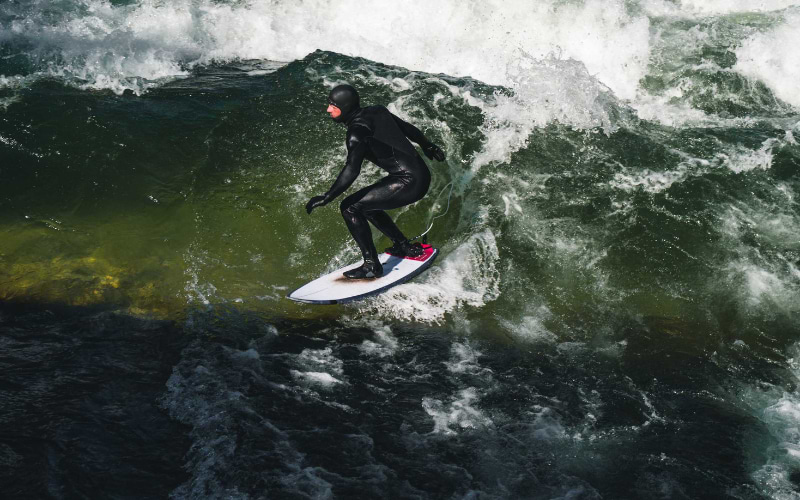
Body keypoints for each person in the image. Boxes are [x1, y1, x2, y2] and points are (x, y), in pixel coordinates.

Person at [305, 84, 446, 279]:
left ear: (344, 108)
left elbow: (352, 169)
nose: (328, 109)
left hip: (409, 181)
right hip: (419, 174)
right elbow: (408, 129)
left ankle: (371, 265)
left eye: (333, 105)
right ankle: (403, 246)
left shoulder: (357, 132)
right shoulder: (377, 110)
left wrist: (327, 196)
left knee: (349, 207)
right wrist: (428, 146)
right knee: (365, 206)